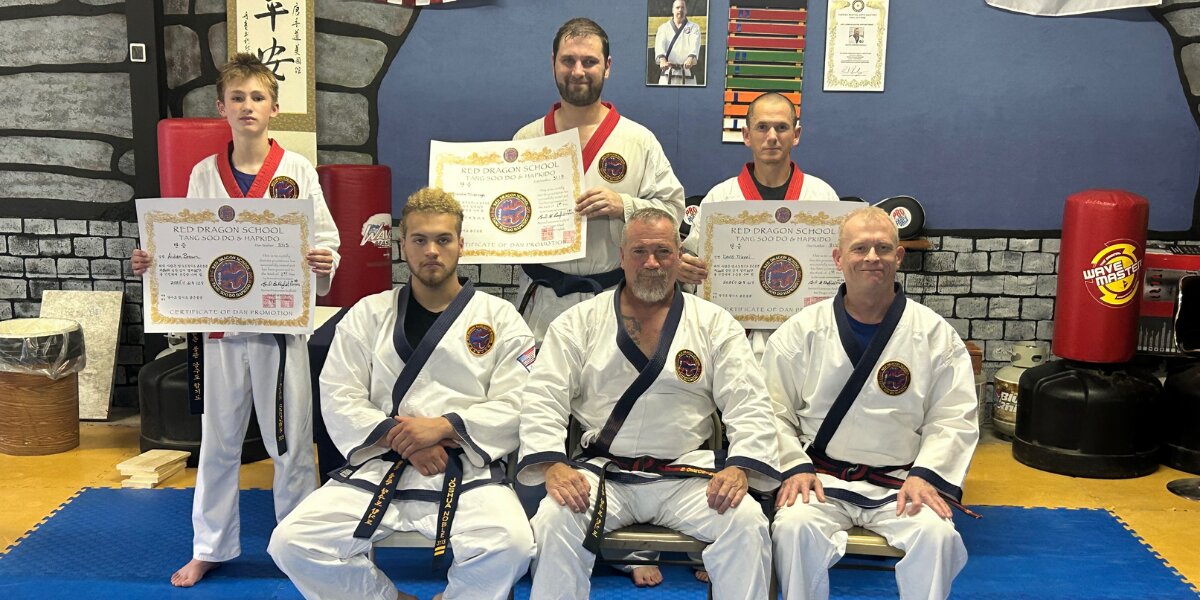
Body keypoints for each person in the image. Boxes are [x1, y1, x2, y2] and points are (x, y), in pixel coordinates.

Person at [131, 53, 340, 588]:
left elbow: (328, 239)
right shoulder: (205, 174)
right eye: (238, 98)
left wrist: (325, 261)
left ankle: (297, 547)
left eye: (257, 97)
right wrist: (155, 260)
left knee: (291, 443)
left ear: (275, 108)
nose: (248, 106)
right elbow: (187, 242)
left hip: (279, 331)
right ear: (222, 107)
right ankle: (211, 547)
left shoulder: (297, 171)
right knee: (218, 443)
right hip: (220, 333)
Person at [269, 188, 536, 600]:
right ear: (402, 245)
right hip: (382, 463)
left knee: (513, 545)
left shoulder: (500, 318)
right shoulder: (368, 314)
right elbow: (340, 394)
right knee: (292, 542)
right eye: (419, 240)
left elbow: (520, 400)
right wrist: (407, 441)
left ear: (461, 244)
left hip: (465, 467)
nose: (432, 250)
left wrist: (444, 428)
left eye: (443, 239)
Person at [517, 207, 781, 599]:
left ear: (679, 256)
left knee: (745, 522)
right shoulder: (578, 322)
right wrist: (553, 463)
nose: (652, 263)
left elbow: (749, 402)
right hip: (604, 474)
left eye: (663, 252)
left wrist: (742, 467)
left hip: (687, 476)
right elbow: (543, 397)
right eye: (639, 252)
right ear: (621, 257)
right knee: (556, 518)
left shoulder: (714, 323)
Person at [762, 206, 980, 600]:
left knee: (937, 536)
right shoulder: (801, 331)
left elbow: (953, 418)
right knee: (793, 529)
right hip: (822, 480)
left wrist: (927, 475)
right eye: (859, 248)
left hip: (900, 482)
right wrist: (793, 466)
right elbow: (772, 409)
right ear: (839, 258)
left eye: (882, 248)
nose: (871, 257)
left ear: (899, 257)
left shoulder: (934, 335)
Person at [515, 17, 685, 345]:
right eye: (568, 60)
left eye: (589, 61)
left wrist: (624, 205)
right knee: (542, 392)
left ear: (607, 67)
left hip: (615, 299)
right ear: (553, 64)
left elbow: (673, 212)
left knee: (609, 392)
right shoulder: (527, 139)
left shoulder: (638, 140)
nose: (578, 71)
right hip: (542, 303)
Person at [679, 92, 839, 361]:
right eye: (762, 127)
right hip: (736, 339)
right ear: (746, 135)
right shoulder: (720, 199)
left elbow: (838, 268)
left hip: (805, 341)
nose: (772, 136)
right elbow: (693, 263)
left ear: (796, 134)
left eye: (782, 127)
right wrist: (684, 269)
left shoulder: (822, 197)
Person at [654, 0, 703, 85]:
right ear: (673, 10)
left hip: (687, 73)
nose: (680, 10)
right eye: (677, 7)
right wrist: (662, 60)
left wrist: (690, 58)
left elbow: (695, 44)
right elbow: (659, 45)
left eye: (682, 7)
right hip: (667, 74)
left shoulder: (694, 28)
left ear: (686, 10)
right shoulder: (663, 28)